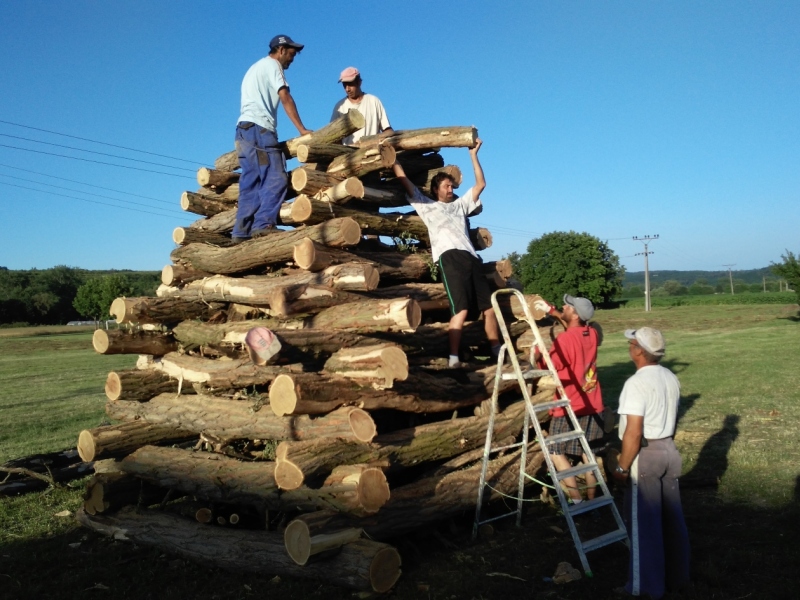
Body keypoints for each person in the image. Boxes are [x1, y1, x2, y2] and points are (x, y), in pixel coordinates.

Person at [391, 139, 500, 367]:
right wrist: (393, 160)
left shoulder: (460, 205)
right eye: (447, 187)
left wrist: (473, 155)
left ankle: (496, 351)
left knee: (489, 309)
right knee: (460, 310)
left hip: (471, 258)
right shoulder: (426, 206)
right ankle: (453, 359)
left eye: (452, 186)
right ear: (435, 190)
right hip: (450, 258)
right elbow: (406, 183)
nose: (451, 190)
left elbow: (481, 184)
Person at [612, 327, 690, 599]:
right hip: (669, 449)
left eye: (631, 343)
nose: (629, 347)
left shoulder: (636, 384)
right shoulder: (669, 376)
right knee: (672, 517)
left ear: (638, 351)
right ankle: (678, 577)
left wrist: (622, 468)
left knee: (644, 524)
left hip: (645, 456)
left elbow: (633, 432)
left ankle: (645, 588)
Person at [232, 35, 313, 243]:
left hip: (243, 130)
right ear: (281, 49)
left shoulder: (254, 68)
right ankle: (263, 224)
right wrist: (302, 129)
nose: (292, 60)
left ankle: (241, 233)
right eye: (291, 54)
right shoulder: (273, 65)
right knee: (276, 176)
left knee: (251, 181)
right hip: (260, 130)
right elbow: (285, 96)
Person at [533, 295, 605, 504]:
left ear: (574, 313)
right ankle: (593, 499)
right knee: (588, 452)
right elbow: (571, 327)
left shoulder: (565, 340)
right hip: (592, 401)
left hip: (570, 405)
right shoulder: (590, 332)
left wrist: (537, 353)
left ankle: (577, 501)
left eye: (568, 306)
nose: (564, 306)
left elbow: (551, 365)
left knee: (555, 450)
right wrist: (551, 311)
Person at [330, 67, 393, 146]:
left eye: (350, 84)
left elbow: (387, 130)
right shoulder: (339, 107)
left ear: (359, 82)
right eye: (344, 85)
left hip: (374, 154)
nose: (347, 89)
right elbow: (334, 137)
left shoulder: (374, 101)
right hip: (350, 156)